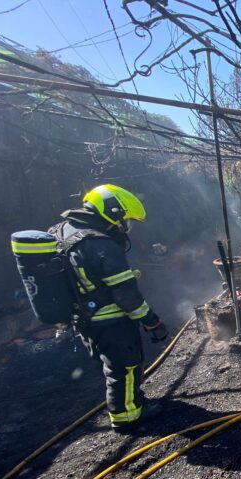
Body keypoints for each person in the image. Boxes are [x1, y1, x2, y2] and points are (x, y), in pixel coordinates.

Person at [50, 184, 168, 433]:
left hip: (84, 317)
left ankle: (132, 401)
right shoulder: (101, 244)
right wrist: (151, 321)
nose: (124, 227)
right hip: (110, 319)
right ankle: (126, 417)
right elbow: (127, 297)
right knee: (125, 366)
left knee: (114, 365)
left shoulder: (62, 231)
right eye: (124, 220)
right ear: (113, 213)